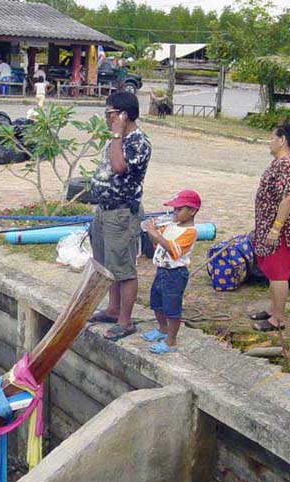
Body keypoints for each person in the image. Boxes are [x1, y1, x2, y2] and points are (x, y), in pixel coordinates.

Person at [88, 92, 152, 341]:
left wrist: (116, 134)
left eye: (110, 114)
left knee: (123, 267)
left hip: (122, 212)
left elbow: (119, 167)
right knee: (106, 262)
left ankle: (125, 320)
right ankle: (113, 308)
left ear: (123, 115)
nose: (106, 118)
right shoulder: (117, 139)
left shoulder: (138, 142)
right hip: (105, 210)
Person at [251, 124, 290, 332]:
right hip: (269, 225)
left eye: (271, 137)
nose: (269, 141)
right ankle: (273, 310)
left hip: (283, 230)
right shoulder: (281, 162)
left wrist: (275, 229)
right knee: (271, 270)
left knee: (279, 273)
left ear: (282, 140)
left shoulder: (289, 164)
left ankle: (278, 319)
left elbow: (288, 199)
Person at [142, 190, 201, 354]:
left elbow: (172, 249)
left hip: (175, 274)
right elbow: (157, 242)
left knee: (172, 307)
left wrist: (156, 234)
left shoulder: (190, 232)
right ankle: (162, 328)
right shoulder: (171, 226)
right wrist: (151, 232)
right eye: (174, 209)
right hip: (161, 270)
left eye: (179, 209)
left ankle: (171, 340)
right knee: (156, 301)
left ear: (192, 211)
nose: (174, 213)